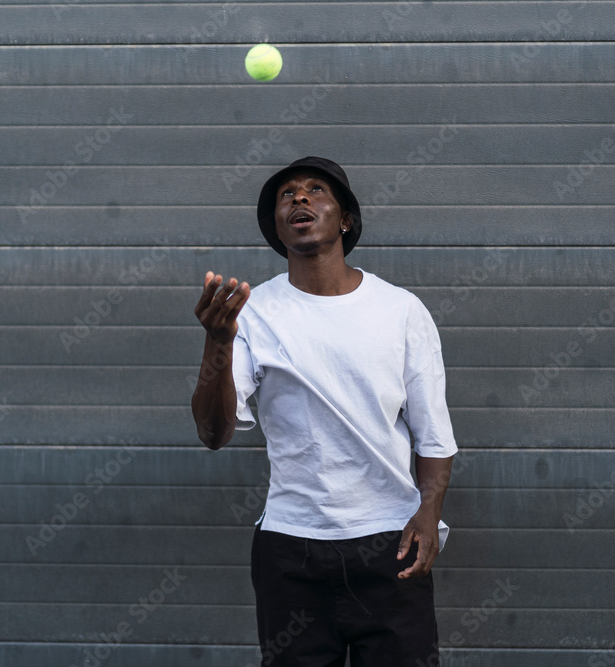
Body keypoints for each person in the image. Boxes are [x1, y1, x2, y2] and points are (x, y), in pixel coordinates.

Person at [191, 156, 457, 667]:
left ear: (346, 219)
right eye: (286, 195)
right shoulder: (252, 313)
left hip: (389, 545)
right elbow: (212, 432)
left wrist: (429, 513)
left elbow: (434, 435)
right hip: (292, 550)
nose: (299, 198)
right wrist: (218, 342)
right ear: (277, 224)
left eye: (316, 190)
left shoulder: (401, 310)